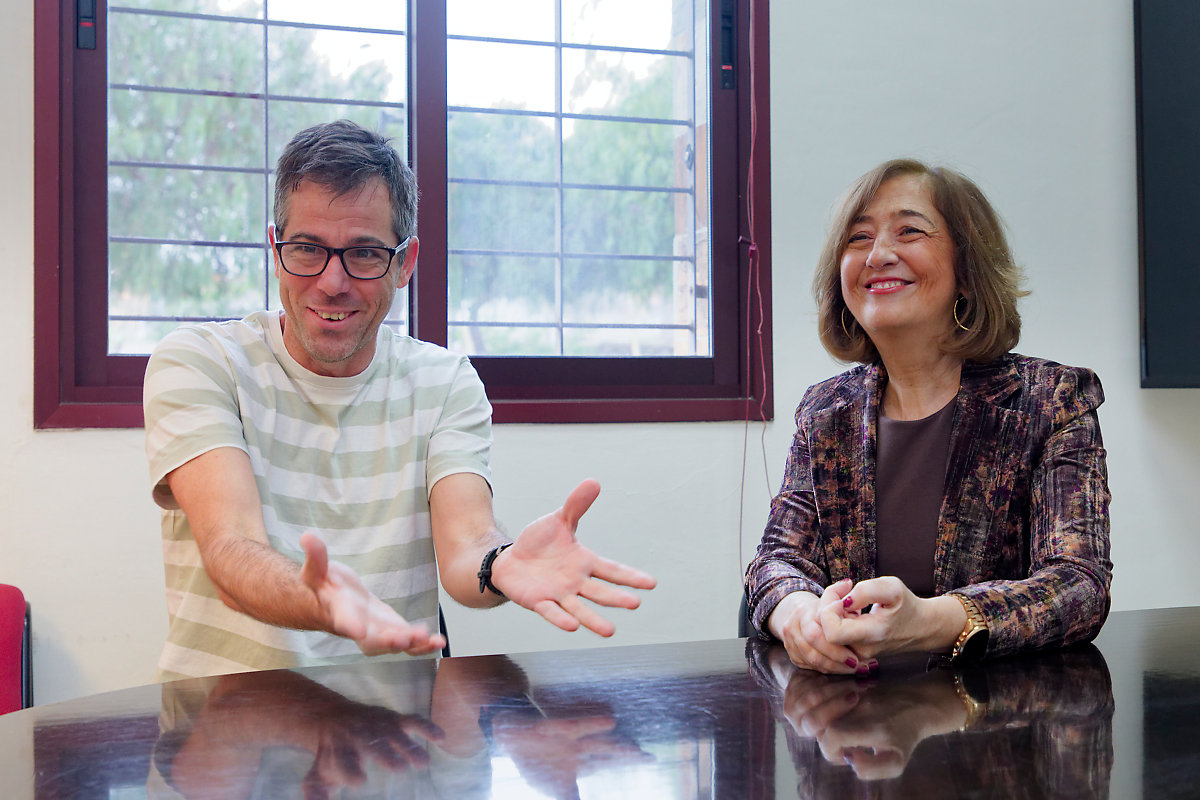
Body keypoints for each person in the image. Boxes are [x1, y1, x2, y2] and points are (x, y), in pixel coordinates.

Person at [144, 119, 656, 680]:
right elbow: (230, 548)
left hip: (394, 739)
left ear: (406, 262)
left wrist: (500, 564)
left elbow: (467, 546)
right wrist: (318, 602)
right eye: (308, 249)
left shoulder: (444, 383)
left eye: (363, 254)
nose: (332, 281)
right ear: (275, 248)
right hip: (223, 738)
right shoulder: (200, 362)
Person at [744, 158, 1112, 674]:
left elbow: (1078, 584)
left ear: (967, 269)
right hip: (853, 725)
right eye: (857, 238)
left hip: (999, 727)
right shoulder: (825, 411)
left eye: (909, 231)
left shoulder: (1051, 399)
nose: (878, 255)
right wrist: (800, 617)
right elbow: (776, 561)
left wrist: (935, 620)